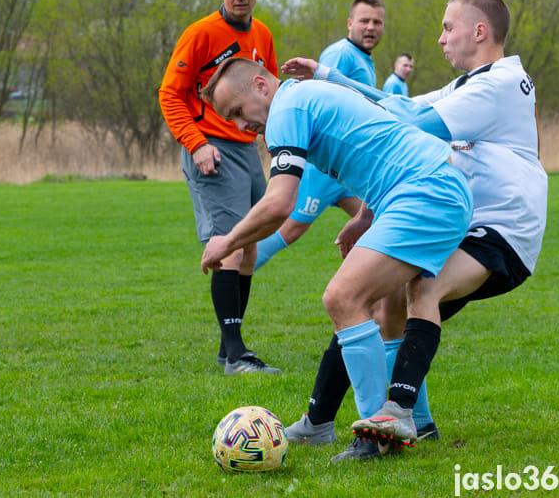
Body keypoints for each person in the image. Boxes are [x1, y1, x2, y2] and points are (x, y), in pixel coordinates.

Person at [283, 0, 547, 459]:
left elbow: (413, 126)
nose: (441, 38)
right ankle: (395, 423)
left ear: (479, 32)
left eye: (449, 28)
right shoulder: (475, 81)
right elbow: (396, 105)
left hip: (503, 229)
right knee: (377, 296)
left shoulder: (498, 85)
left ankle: (397, 413)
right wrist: (329, 76)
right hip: (469, 221)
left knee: (419, 289)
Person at [199, 56, 472, 456]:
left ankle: (375, 438)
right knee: (388, 306)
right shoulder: (308, 97)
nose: (241, 126)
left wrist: (227, 242)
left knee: (343, 297)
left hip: (424, 191)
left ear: (261, 85)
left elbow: (279, 204)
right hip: (436, 184)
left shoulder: (286, 109)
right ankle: (420, 423)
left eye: (238, 111)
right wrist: (364, 215)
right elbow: (383, 139)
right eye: (232, 119)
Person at [158, 0, 280, 375]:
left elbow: (268, 87)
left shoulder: (262, 34)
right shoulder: (201, 33)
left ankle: (230, 349)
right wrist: (196, 144)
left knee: (249, 248)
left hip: (246, 151)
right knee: (229, 244)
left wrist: (270, 137)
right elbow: (170, 95)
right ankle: (236, 354)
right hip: (211, 149)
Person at [255, 0, 385, 271]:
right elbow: (319, 98)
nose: (371, 27)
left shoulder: (363, 58)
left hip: (347, 166)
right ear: (350, 23)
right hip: (325, 169)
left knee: (380, 219)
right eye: (364, 21)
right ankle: (234, 268)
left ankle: (382, 290)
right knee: (289, 231)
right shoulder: (341, 53)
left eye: (377, 22)